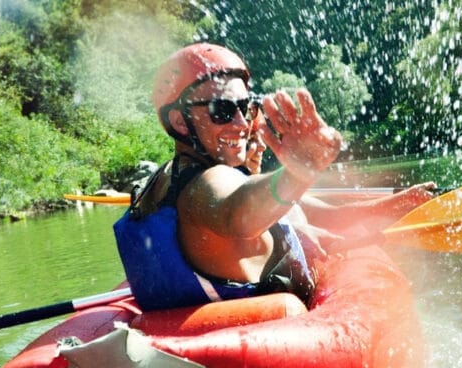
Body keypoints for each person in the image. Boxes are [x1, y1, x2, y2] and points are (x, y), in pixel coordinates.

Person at [114, 42, 434, 311]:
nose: (242, 124)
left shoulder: (166, 178)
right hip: (247, 356)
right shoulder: (205, 184)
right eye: (221, 110)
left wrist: (393, 205)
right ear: (180, 122)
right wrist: (298, 173)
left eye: (246, 107)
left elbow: (301, 212)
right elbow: (236, 214)